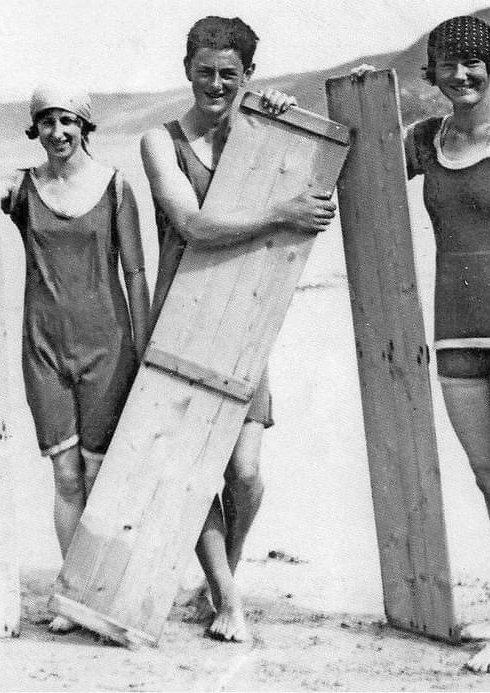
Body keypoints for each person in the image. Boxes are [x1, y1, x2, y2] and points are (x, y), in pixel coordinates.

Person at [355, 14, 490, 673]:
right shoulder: (424, 141)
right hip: (455, 328)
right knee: (489, 478)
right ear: (431, 74)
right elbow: (356, 163)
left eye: (473, 62)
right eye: (447, 64)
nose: (460, 74)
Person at [140, 16, 336, 643]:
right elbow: (193, 224)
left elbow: (311, 169)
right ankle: (228, 599)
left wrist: (282, 112)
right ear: (186, 71)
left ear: (247, 76)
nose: (216, 84)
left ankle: (225, 573)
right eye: (205, 72)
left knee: (244, 471)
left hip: (244, 320)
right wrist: (279, 212)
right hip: (180, 320)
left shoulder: (257, 138)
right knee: (196, 470)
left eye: (231, 75)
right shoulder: (159, 140)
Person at [2, 86, 150, 633]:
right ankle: (71, 589)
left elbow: (135, 272)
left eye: (68, 122)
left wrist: (145, 346)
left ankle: (103, 588)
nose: (57, 133)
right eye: (46, 122)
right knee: (65, 475)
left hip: (108, 348)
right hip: (42, 348)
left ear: (85, 127)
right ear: (34, 129)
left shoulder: (116, 187)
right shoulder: (19, 186)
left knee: (100, 471)